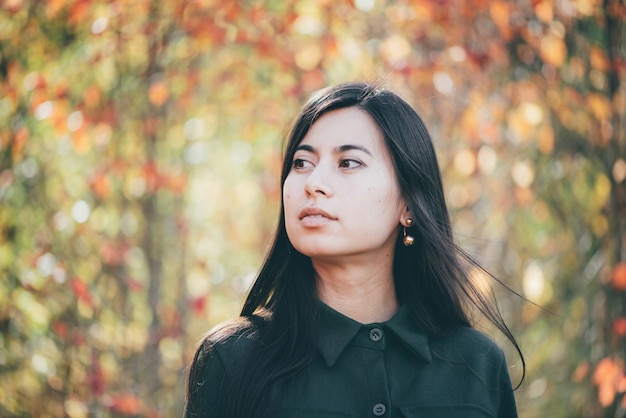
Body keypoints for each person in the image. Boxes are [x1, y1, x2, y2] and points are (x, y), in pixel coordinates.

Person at [184, 81, 523, 418]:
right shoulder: (232, 358)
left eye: (348, 163)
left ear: (408, 205)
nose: (312, 183)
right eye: (301, 163)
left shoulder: (477, 365)